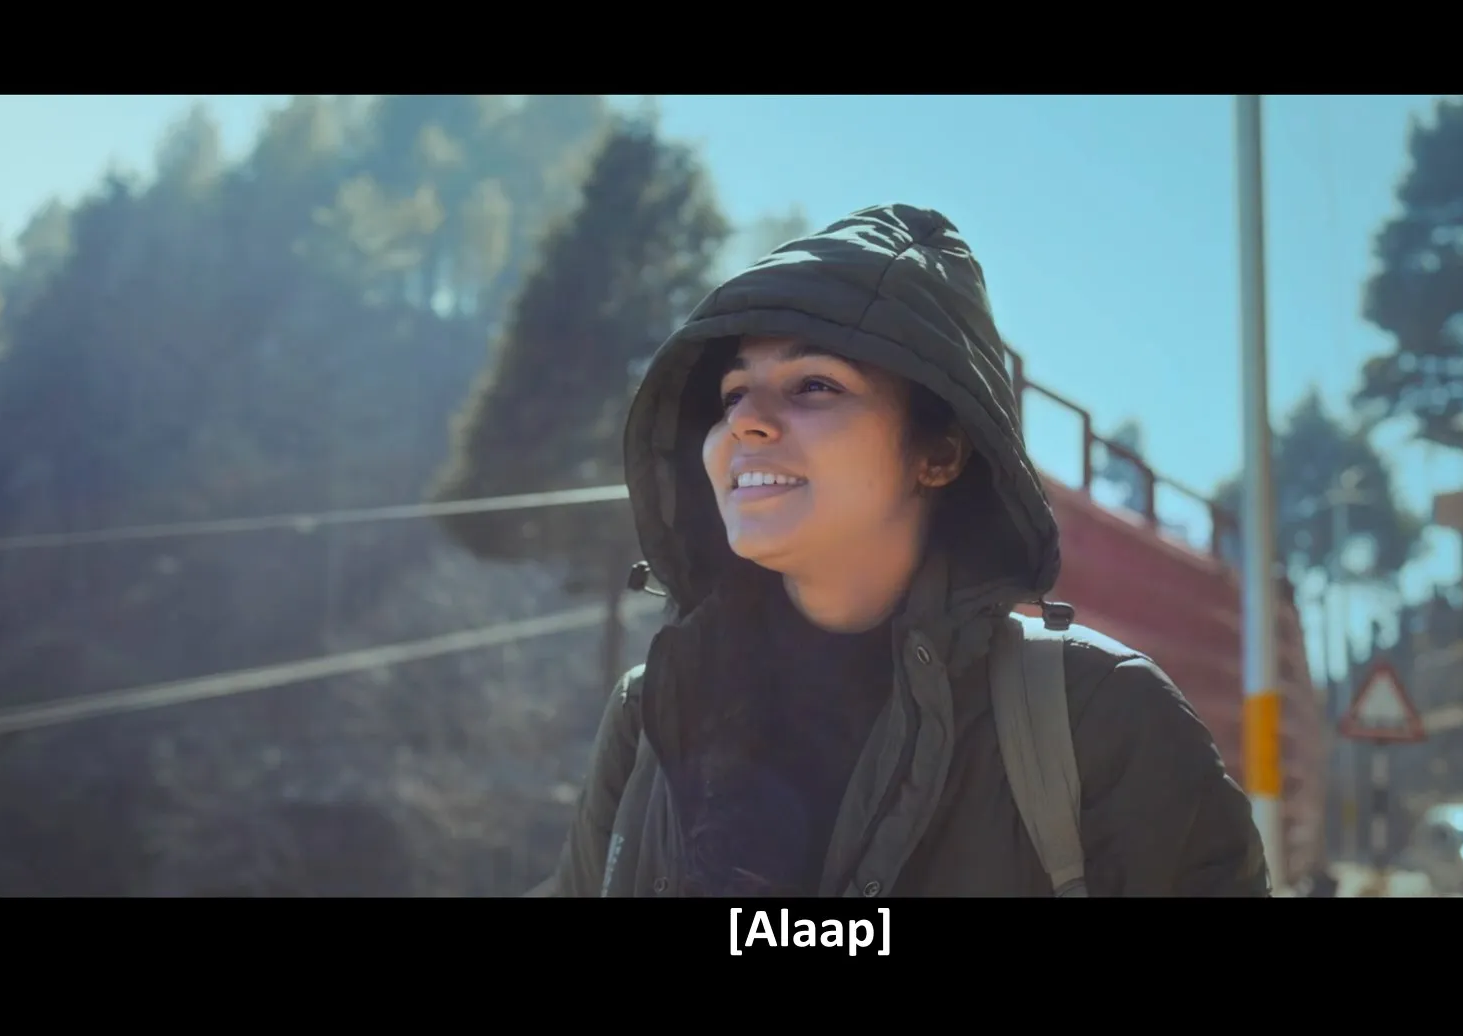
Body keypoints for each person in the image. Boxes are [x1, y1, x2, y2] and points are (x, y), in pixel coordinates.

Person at [538, 204, 1268, 897]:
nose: (745, 423)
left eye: (813, 385)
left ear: (940, 454)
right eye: (732, 394)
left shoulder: (1102, 718)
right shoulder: (650, 712)